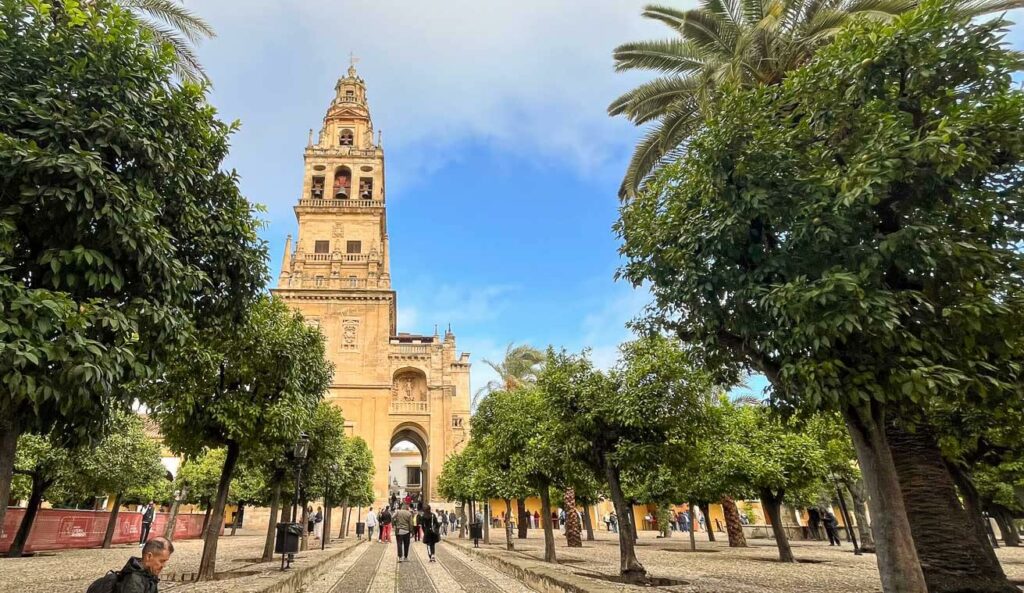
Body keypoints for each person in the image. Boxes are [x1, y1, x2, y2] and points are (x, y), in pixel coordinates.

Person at [89, 536, 173, 593]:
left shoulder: (149, 573)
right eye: (162, 561)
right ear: (149, 556)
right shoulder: (134, 582)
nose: (164, 565)